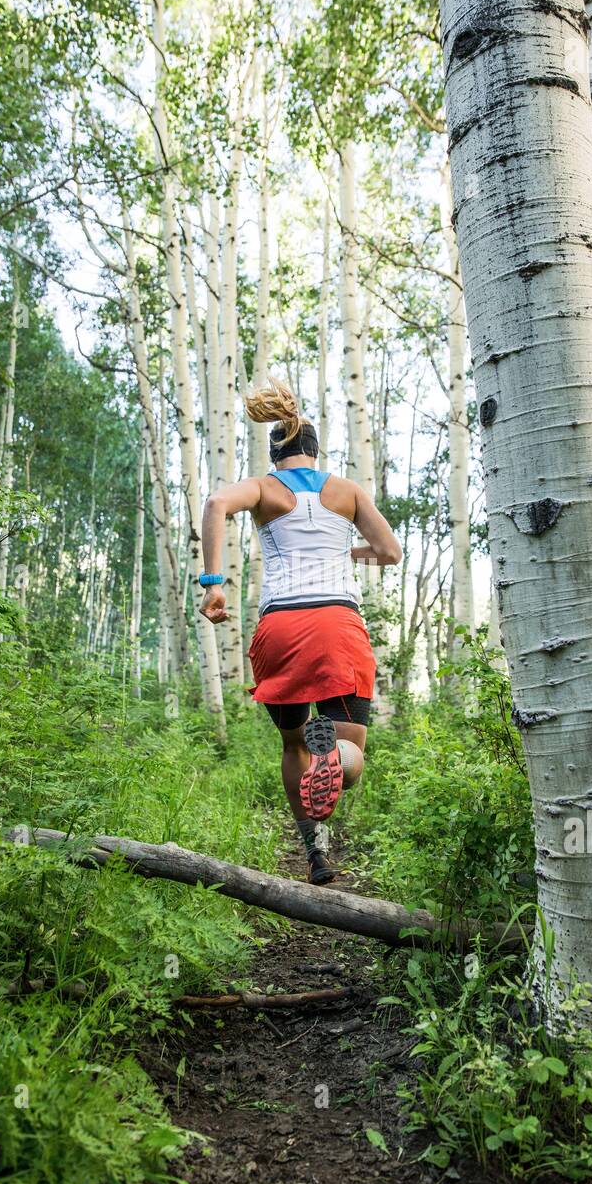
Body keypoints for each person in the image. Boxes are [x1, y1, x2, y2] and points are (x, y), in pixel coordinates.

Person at [199, 377, 402, 885]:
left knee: (294, 746)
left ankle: (315, 853)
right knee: (349, 752)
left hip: (280, 629)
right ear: (316, 453)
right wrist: (350, 551)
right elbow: (391, 553)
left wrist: (213, 584)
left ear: (276, 453)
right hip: (338, 624)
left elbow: (215, 504)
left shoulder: (264, 488)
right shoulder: (347, 491)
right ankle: (335, 755)